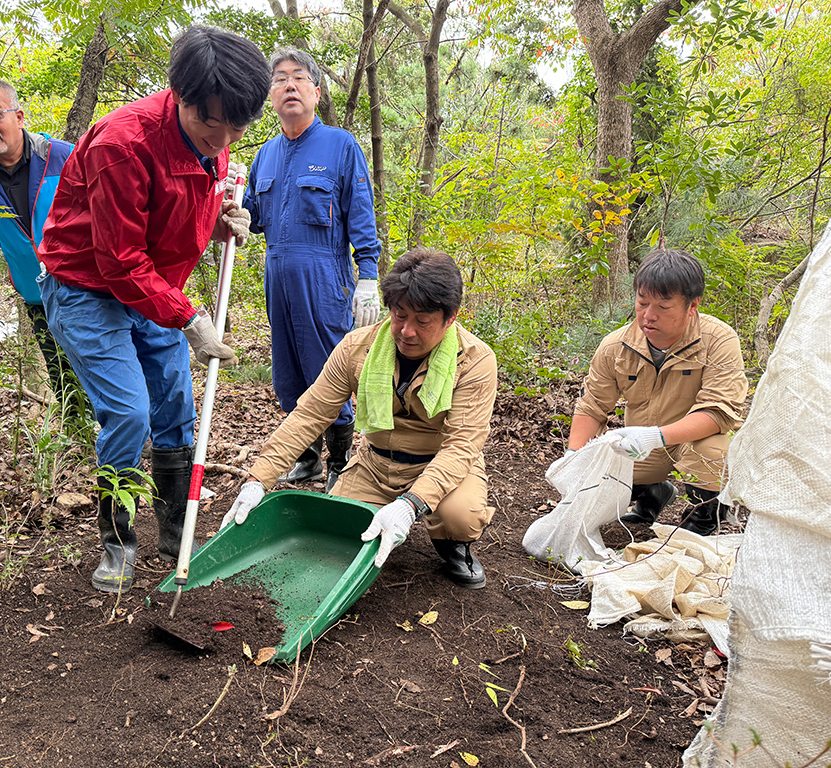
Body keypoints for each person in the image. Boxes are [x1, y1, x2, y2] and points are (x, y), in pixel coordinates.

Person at [37, 25, 271, 593]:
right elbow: (119, 260)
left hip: (154, 287)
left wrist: (216, 226)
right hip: (87, 287)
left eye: (236, 125)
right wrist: (187, 317)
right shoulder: (124, 143)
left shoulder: (219, 128)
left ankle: (177, 536)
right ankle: (117, 542)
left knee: (175, 411)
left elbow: (173, 212)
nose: (222, 137)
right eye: (209, 122)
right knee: (131, 413)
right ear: (181, 98)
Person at [221, 248, 497, 589]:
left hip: (441, 463)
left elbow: (461, 447)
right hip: (377, 464)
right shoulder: (357, 348)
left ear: (450, 317)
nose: (407, 331)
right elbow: (309, 415)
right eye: (399, 315)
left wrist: (410, 504)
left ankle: (451, 544)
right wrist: (257, 480)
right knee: (338, 530)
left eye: (423, 321)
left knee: (461, 516)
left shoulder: (474, 361)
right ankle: (384, 508)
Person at [242, 48, 382, 492]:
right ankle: (306, 459)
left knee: (328, 369)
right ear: (270, 95)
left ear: (316, 92)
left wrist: (368, 275)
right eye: (279, 79)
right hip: (277, 274)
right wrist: (231, 207)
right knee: (288, 371)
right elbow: (252, 216)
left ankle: (340, 462)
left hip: (323, 278)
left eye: (299, 78)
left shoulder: (340, 145)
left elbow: (360, 213)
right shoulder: (264, 155)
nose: (289, 86)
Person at [564, 248, 748, 535]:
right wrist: (573, 458)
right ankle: (654, 493)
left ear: (692, 305)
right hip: (641, 447)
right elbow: (592, 407)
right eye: (642, 303)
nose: (648, 316)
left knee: (713, 451)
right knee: (596, 473)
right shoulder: (616, 346)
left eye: (663, 307)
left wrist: (656, 436)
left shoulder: (718, 340)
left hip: (690, 443)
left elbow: (718, 412)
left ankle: (702, 518)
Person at [0, 75, 87, 419]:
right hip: (35, 292)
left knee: (102, 363)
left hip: (86, 286)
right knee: (61, 373)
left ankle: (127, 438)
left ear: (19, 117)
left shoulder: (63, 157)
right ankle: (79, 442)